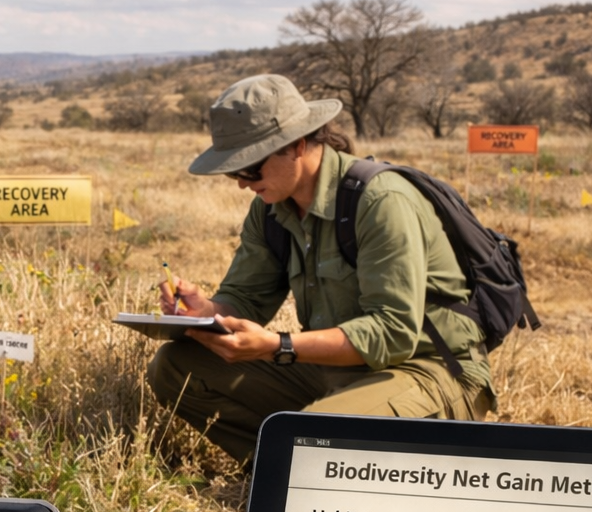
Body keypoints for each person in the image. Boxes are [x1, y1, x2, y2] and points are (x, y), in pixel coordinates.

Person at [147, 74, 493, 463]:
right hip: (334, 369)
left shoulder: (382, 201)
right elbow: (246, 298)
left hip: (428, 372)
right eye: (233, 172)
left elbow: (394, 334)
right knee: (176, 367)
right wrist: (206, 312)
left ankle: (306, 470)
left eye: (250, 169)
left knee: (310, 436)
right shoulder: (270, 211)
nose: (242, 184)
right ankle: (284, 472)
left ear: (296, 145)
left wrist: (279, 347)